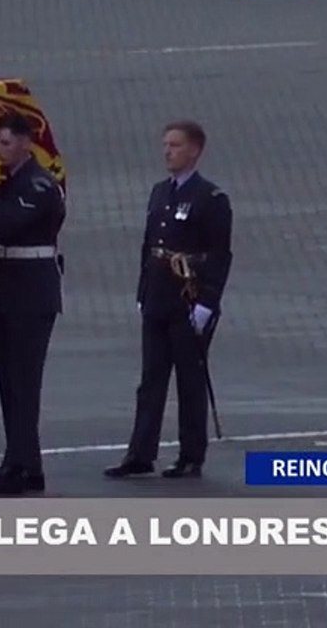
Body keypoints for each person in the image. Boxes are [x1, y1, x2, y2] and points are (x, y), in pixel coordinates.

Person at [105, 120, 233, 479]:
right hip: (159, 296)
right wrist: (143, 292)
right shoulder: (160, 192)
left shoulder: (211, 199)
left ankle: (191, 455)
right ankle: (140, 453)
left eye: (175, 145)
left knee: (189, 381)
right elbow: (150, 246)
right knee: (151, 380)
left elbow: (219, 255)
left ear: (194, 150)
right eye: (166, 145)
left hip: (189, 300)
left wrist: (207, 303)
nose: (167, 151)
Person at [0, 112, 67, 495]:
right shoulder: (11, 182)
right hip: (9, 288)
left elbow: (7, 224)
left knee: (24, 382)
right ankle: (21, 462)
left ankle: (22, 465)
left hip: (32, 292)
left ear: (26, 143)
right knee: (9, 380)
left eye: (6, 143)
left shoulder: (39, 185)